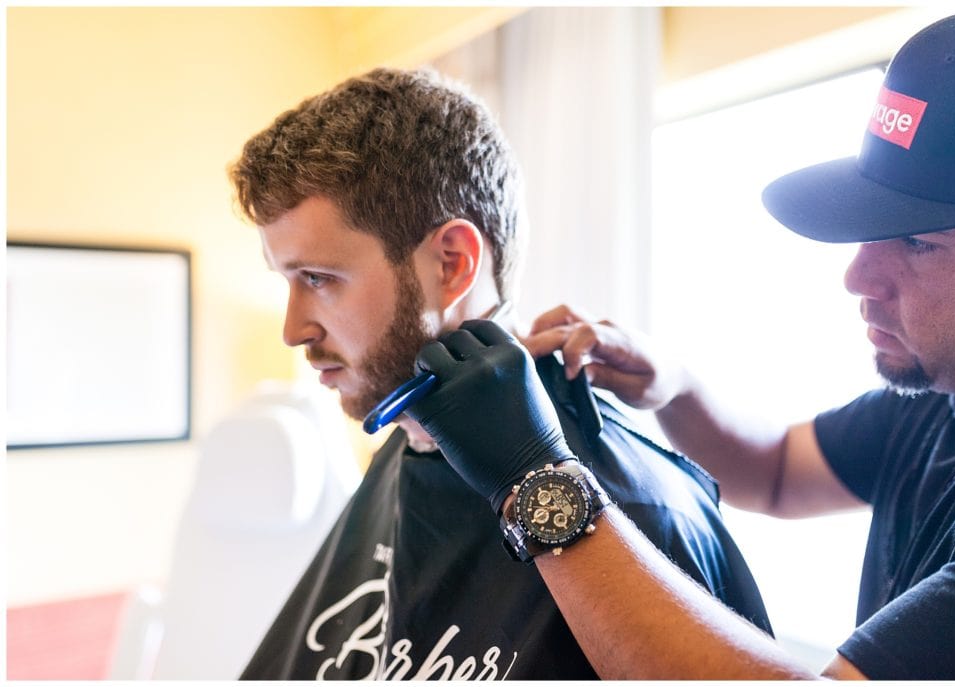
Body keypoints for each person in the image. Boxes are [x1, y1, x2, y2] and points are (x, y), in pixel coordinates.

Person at [405, 8, 955, 681]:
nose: (857, 275)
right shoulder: (941, 398)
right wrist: (672, 383)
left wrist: (538, 482)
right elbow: (778, 470)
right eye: (873, 228)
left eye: (920, 242)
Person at [228, 67, 772, 679]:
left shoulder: (644, 511)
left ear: (453, 265)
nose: (293, 329)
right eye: (288, 283)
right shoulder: (405, 451)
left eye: (319, 280)